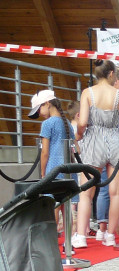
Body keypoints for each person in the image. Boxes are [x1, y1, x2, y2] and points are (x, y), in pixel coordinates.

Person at [73, 60, 119, 248]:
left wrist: (79, 136)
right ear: (112, 74)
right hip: (115, 140)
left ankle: (80, 236)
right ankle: (110, 235)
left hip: (93, 140)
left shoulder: (88, 93)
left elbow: (83, 121)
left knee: (86, 192)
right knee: (116, 192)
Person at [29, 90, 76, 226]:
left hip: (53, 170)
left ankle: (52, 238)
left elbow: (45, 152)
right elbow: (74, 149)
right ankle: (68, 241)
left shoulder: (47, 124)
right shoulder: (66, 122)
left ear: (47, 104)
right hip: (67, 170)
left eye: (39, 109)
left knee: (52, 205)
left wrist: (43, 174)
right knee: (65, 206)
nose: (39, 114)